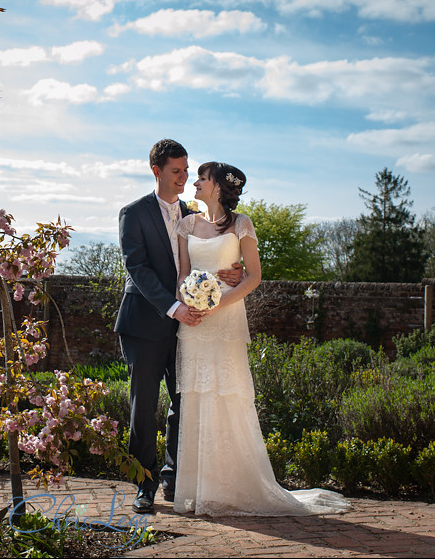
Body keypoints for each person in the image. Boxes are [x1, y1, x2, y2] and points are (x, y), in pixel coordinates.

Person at [173, 161, 350, 516]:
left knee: (228, 394)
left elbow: (253, 278)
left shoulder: (241, 224)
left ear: (219, 187)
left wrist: (218, 301)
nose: (195, 182)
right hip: (194, 321)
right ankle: (199, 490)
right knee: (197, 395)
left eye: (202, 178)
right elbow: (181, 274)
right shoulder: (186, 224)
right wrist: (189, 299)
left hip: (225, 318)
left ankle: (234, 486)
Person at [115, 140, 243, 514]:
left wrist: (233, 270)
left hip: (191, 327)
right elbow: (136, 269)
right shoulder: (133, 213)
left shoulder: (194, 215)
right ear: (157, 170)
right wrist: (173, 307)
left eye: (187, 170)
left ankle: (173, 478)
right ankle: (144, 483)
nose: (185, 177)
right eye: (177, 171)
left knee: (183, 402)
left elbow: (216, 253)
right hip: (144, 323)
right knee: (143, 406)